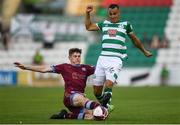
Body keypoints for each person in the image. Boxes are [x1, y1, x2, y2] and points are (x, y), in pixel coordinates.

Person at [85, 4, 152, 110]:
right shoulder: (104, 24)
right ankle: (106, 105)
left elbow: (134, 39)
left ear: (119, 13)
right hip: (102, 58)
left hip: (116, 59)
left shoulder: (126, 25)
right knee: (96, 91)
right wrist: (88, 14)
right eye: (110, 14)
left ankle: (104, 110)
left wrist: (144, 51)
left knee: (109, 83)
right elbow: (88, 27)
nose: (112, 16)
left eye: (114, 14)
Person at [14, 48, 108, 120]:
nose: (77, 58)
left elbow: (101, 69)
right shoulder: (64, 67)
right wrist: (26, 67)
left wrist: (111, 75)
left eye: (79, 56)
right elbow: (44, 69)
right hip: (70, 97)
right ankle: (101, 105)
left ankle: (65, 115)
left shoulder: (86, 68)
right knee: (92, 105)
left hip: (79, 99)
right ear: (70, 58)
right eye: (75, 56)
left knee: (92, 115)